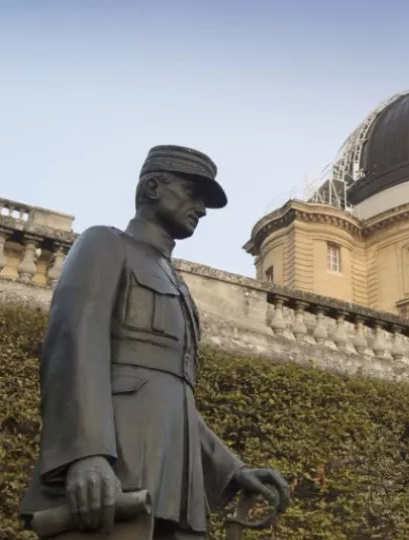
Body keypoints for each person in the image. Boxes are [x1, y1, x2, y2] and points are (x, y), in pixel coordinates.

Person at [19, 145, 290, 539]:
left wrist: (232, 470)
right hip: (116, 470)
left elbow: (175, 398)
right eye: (191, 191)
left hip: (177, 487)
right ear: (152, 187)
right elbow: (73, 344)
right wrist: (86, 454)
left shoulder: (179, 287)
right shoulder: (104, 244)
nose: (200, 207)